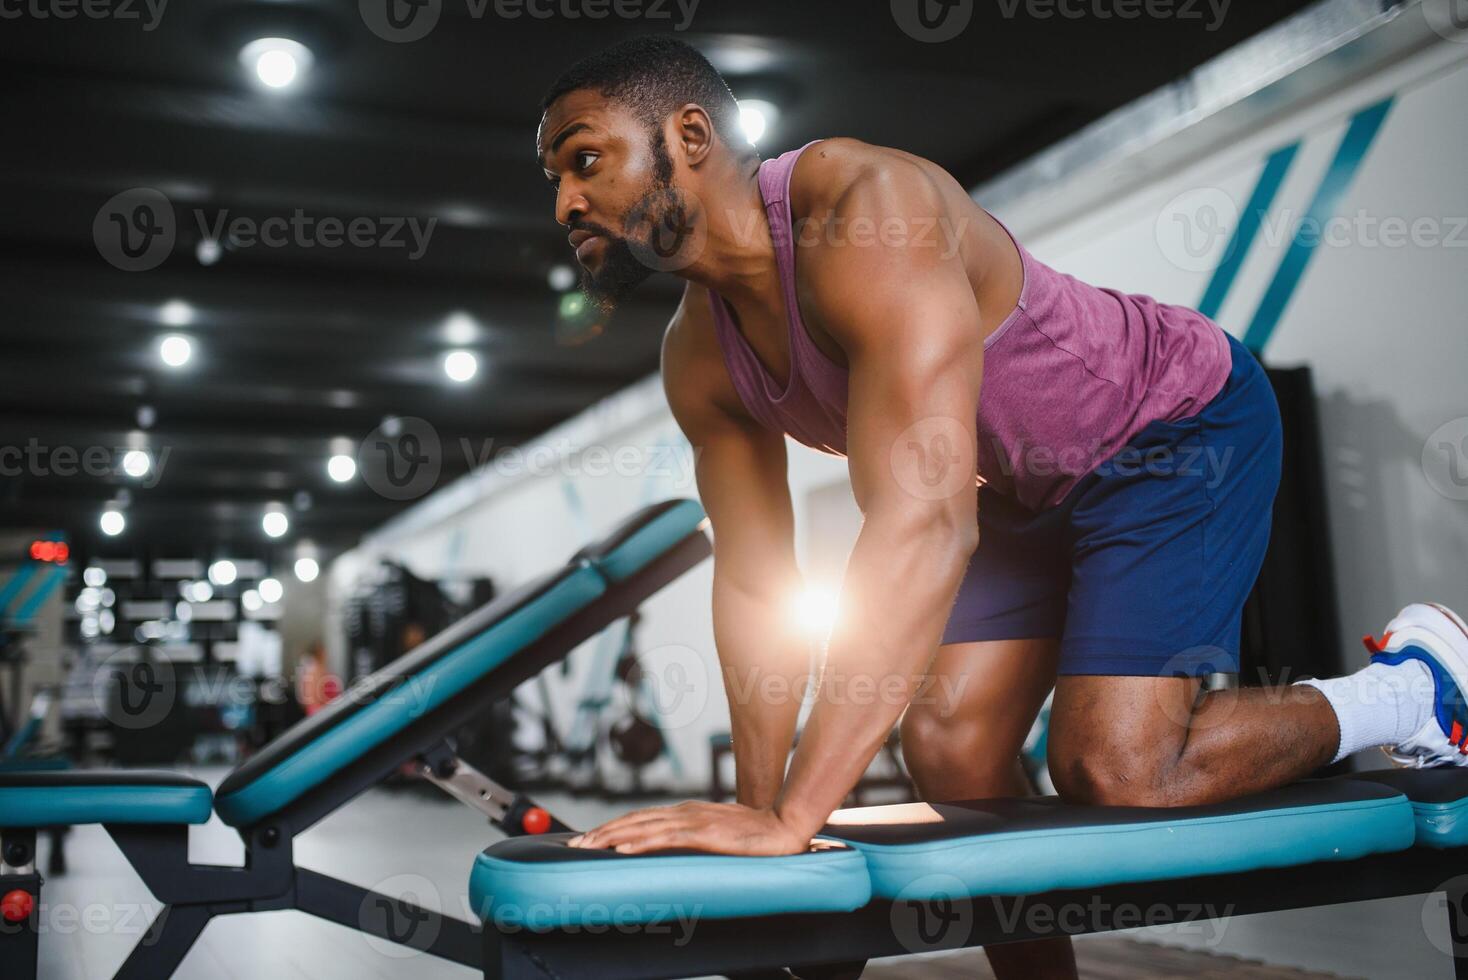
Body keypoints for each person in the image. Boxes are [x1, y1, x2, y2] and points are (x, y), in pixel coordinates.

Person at [534, 36, 1467, 978]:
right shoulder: (697, 357)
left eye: (585, 158)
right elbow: (754, 581)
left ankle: (1414, 688)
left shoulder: (863, 212)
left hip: (1173, 430)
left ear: (689, 134)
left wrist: (791, 820)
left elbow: (924, 524)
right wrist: (754, 812)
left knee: (1117, 769)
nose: (566, 202)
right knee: (947, 746)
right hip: (1020, 489)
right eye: (555, 179)